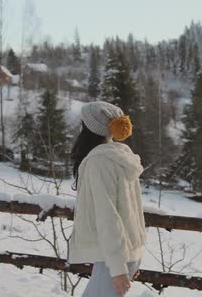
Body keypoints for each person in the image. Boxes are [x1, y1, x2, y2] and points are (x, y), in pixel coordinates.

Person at [69, 101, 147, 297]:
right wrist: (132, 257)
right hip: (122, 254)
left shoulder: (99, 162)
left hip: (113, 259)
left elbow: (108, 217)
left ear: (88, 128)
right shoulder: (121, 156)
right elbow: (134, 213)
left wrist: (119, 269)